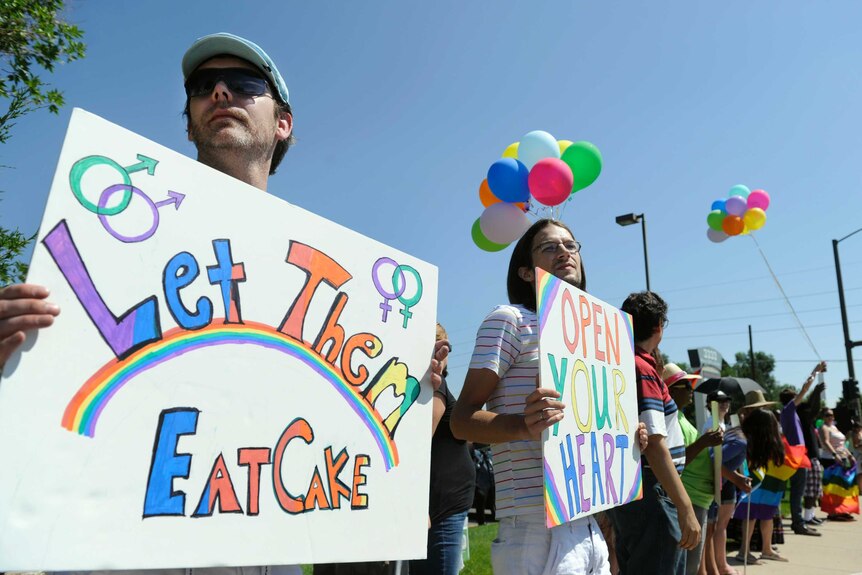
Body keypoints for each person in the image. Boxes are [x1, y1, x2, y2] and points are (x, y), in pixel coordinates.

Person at [0, 32, 450, 574]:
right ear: (189, 119)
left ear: (283, 123)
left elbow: (346, 439)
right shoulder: (119, 238)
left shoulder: (329, 276)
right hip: (123, 551)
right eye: (200, 87)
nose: (218, 92)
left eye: (243, 84)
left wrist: (409, 391)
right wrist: (14, 359)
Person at [450, 218, 648, 575]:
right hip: (533, 524)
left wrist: (627, 437)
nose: (564, 252)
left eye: (571, 245)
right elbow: (461, 420)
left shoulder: (597, 341)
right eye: (549, 246)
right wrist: (523, 426)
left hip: (589, 521)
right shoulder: (509, 320)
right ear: (526, 272)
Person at [608, 291, 700, 575]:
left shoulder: (621, 365)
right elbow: (655, 444)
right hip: (653, 492)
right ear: (659, 326)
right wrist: (685, 506)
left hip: (634, 489)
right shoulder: (642, 369)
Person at [409, 323, 475, 575]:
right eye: (439, 348)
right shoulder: (429, 390)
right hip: (440, 504)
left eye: (447, 349)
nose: (444, 356)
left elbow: (423, 443)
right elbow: (419, 447)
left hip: (444, 504)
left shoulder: (434, 389)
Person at [663, 364, 723, 575]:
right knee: (687, 564)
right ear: (671, 390)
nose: (691, 391)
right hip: (689, 498)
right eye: (685, 386)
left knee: (691, 563)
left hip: (698, 498)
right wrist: (704, 442)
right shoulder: (671, 421)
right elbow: (674, 462)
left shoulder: (680, 418)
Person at [733, 393, 792, 564]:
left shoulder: (748, 433)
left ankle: (764, 549)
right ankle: (745, 551)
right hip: (764, 481)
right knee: (756, 515)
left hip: (759, 480)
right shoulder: (757, 433)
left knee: (763, 515)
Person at [778, 362, 826, 537]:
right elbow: (805, 389)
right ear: (792, 399)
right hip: (796, 457)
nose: (800, 397)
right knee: (797, 492)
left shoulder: (789, 413)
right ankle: (798, 523)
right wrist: (815, 371)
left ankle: (797, 522)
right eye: (796, 397)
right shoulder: (789, 410)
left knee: (795, 491)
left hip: (796, 455)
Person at [819, 407, 858, 521]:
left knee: (842, 486)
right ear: (823, 417)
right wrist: (835, 454)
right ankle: (832, 512)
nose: (830, 417)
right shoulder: (824, 427)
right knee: (832, 486)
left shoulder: (834, 427)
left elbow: (842, 444)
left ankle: (840, 509)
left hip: (843, 458)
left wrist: (850, 456)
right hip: (831, 459)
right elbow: (826, 442)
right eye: (827, 415)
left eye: (831, 415)